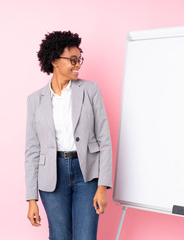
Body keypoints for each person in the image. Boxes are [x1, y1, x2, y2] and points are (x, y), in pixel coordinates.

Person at [25, 31, 112, 240]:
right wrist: (31, 199)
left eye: (79, 59)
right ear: (55, 61)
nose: (78, 65)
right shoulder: (35, 100)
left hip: (87, 175)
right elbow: (32, 150)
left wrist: (102, 186)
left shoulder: (90, 90)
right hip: (52, 176)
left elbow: (105, 140)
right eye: (72, 60)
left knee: (85, 236)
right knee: (59, 236)